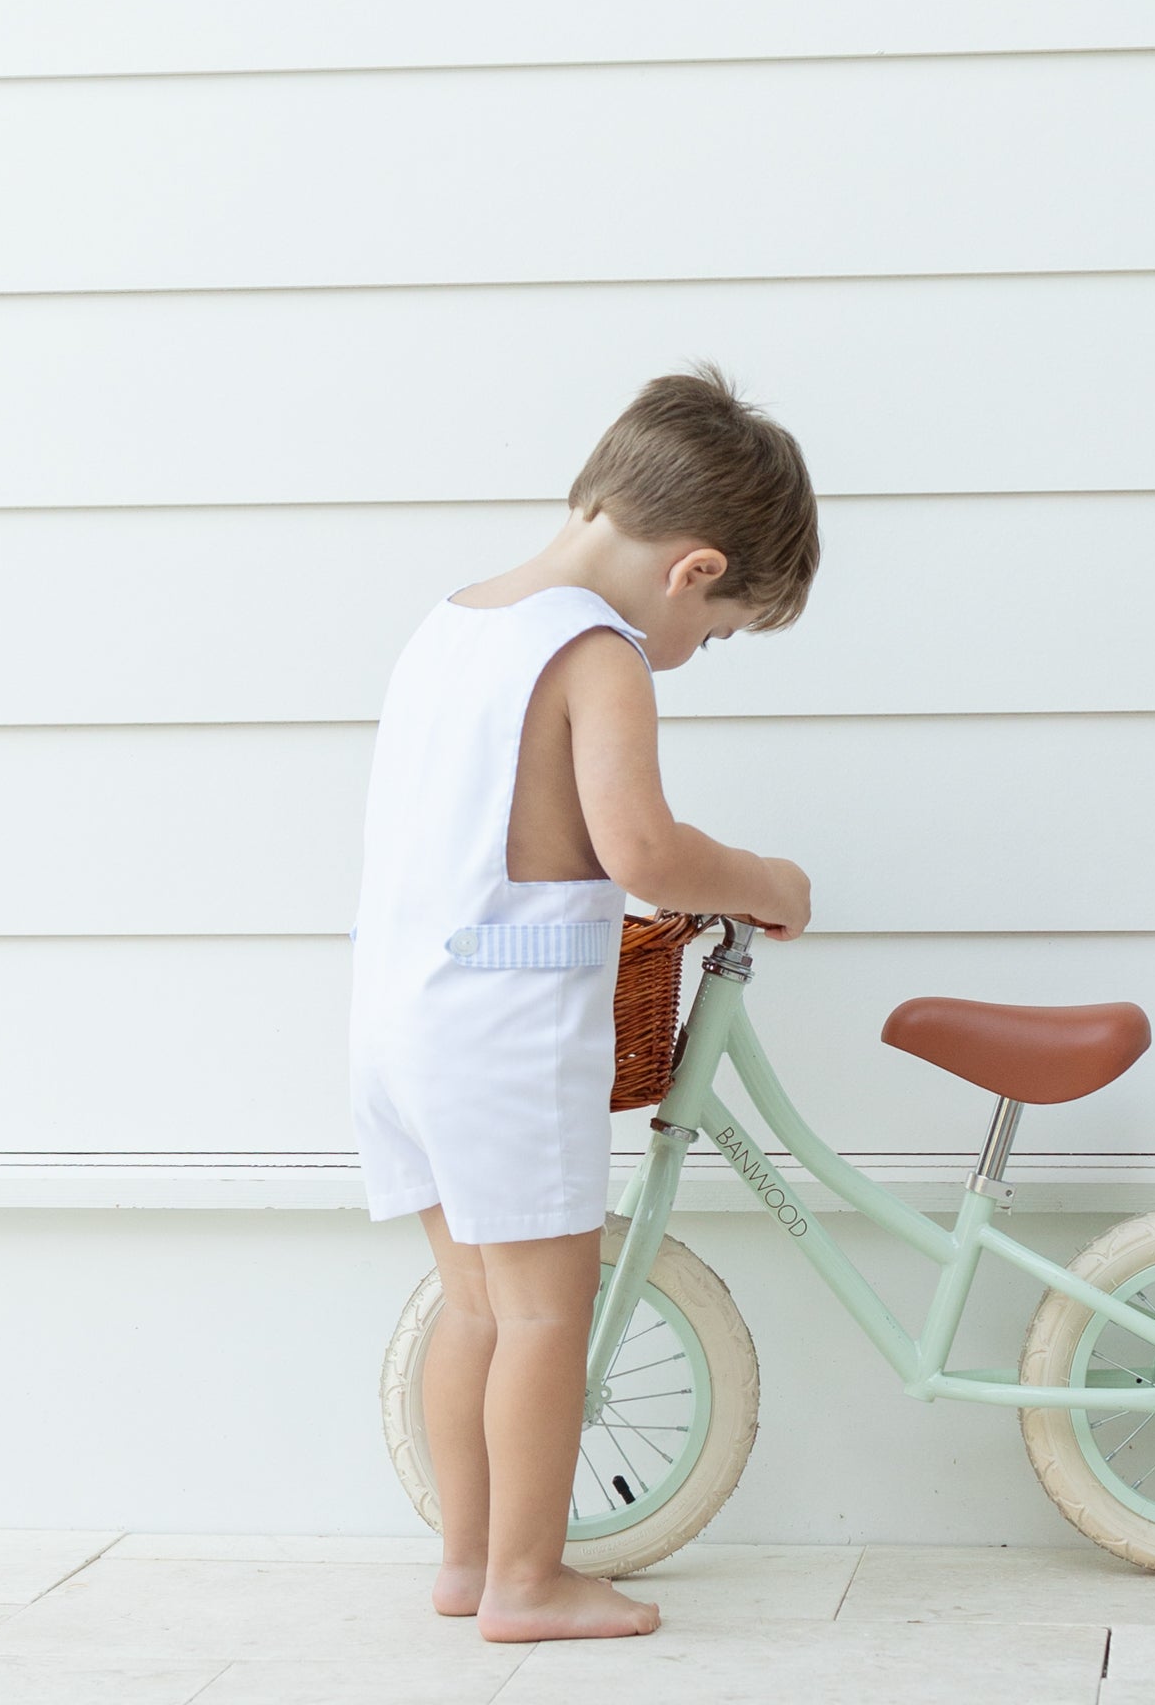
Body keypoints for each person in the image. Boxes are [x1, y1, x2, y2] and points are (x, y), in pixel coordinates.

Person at [348, 365, 817, 1642]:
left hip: (397, 1018)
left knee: (479, 1305)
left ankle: (465, 1561)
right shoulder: (595, 650)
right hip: (499, 1027)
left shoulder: (451, 621)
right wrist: (767, 877)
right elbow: (645, 855)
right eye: (715, 631)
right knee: (553, 1310)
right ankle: (529, 1580)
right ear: (694, 567)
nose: (694, 653)